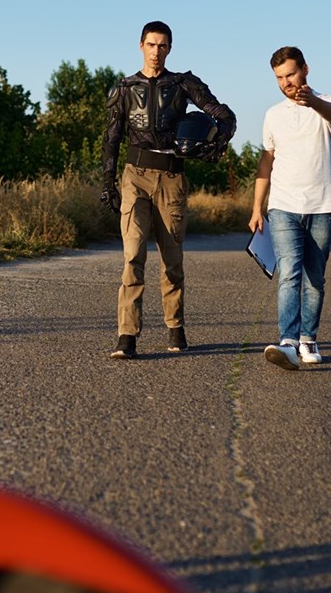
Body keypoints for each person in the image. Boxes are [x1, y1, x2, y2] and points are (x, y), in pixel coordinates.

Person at [101, 21, 236, 359]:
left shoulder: (183, 84)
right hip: (135, 176)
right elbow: (111, 139)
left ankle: (175, 327)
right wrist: (108, 182)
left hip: (172, 178)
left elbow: (225, 115)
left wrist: (215, 144)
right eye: (150, 44)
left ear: (170, 48)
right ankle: (127, 336)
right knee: (133, 255)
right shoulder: (124, 88)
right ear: (140, 46)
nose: (156, 51)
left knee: (171, 260)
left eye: (162, 46)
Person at [248, 46, 331, 370]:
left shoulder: (328, 102)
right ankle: (288, 342)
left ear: (305, 69)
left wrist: (311, 101)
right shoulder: (273, 115)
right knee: (289, 272)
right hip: (283, 206)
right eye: (279, 78)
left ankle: (308, 339)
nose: (286, 82)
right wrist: (257, 207)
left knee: (315, 277)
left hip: (323, 206)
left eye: (290, 74)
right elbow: (266, 161)